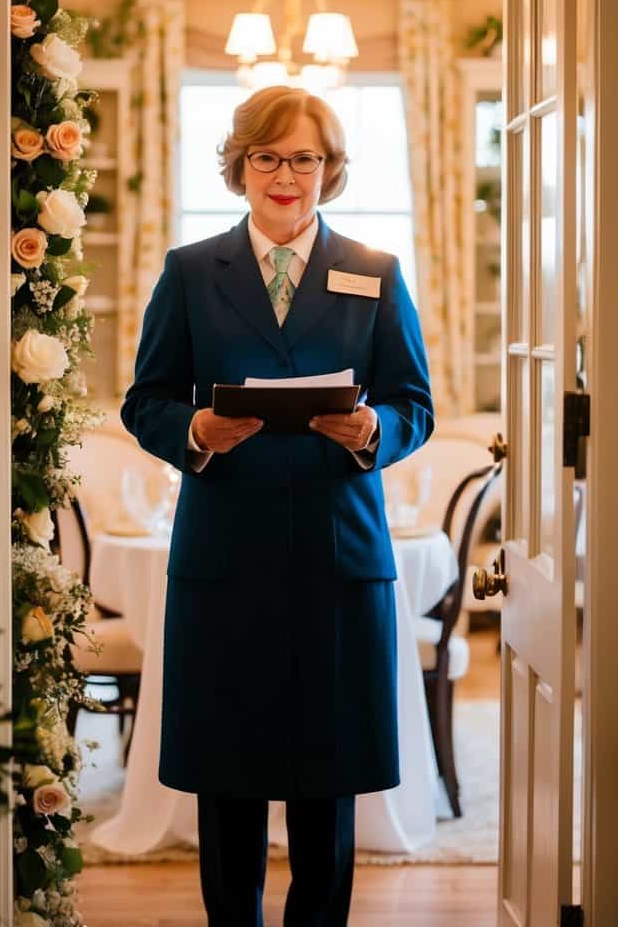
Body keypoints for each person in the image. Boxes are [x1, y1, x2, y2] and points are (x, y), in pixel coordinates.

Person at [121, 85, 434, 927]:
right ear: (240, 167)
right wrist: (193, 429)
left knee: (326, 782)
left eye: (303, 158)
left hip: (338, 556)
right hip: (225, 554)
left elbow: (415, 402)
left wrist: (376, 427)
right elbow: (144, 399)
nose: (285, 174)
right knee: (227, 777)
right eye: (267, 157)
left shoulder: (375, 271)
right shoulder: (190, 272)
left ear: (329, 170)